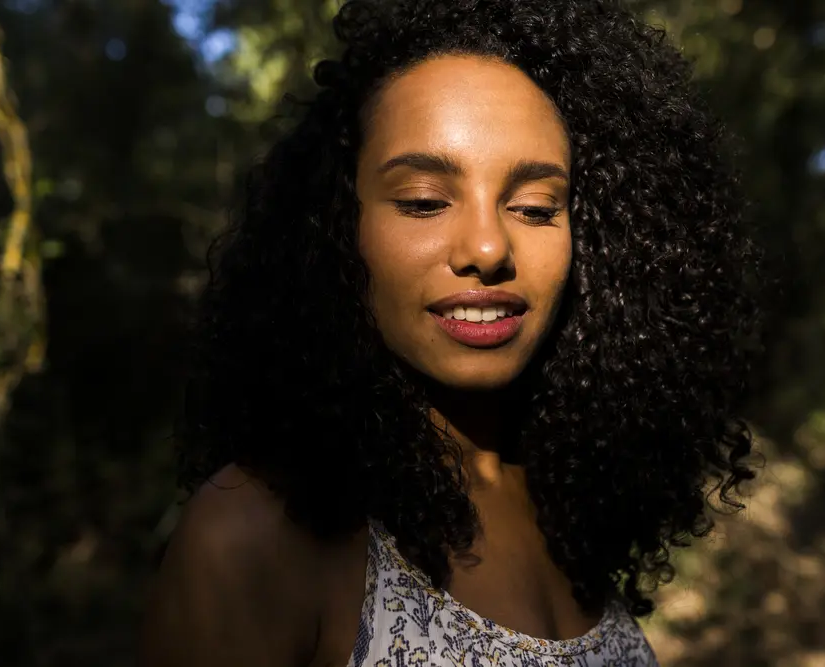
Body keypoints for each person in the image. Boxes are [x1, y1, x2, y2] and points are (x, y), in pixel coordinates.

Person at [138, 0, 764, 665]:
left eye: (533, 207)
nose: (489, 247)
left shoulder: (572, 506)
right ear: (334, 230)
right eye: (424, 202)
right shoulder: (256, 535)